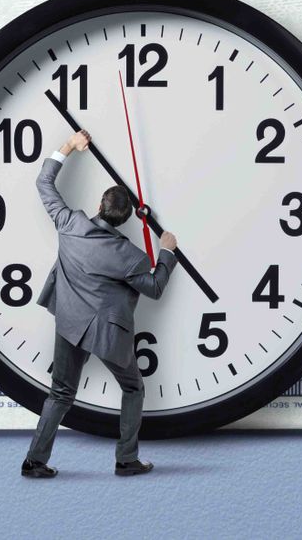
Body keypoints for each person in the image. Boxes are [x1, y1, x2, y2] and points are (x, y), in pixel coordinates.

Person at [21, 129, 178, 479]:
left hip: (69, 322)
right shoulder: (129, 256)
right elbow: (154, 288)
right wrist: (167, 252)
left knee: (60, 393)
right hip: (106, 333)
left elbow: (44, 182)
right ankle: (126, 460)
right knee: (134, 387)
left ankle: (34, 461)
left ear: (99, 206)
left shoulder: (70, 223)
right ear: (125, 220)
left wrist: (70, 146)